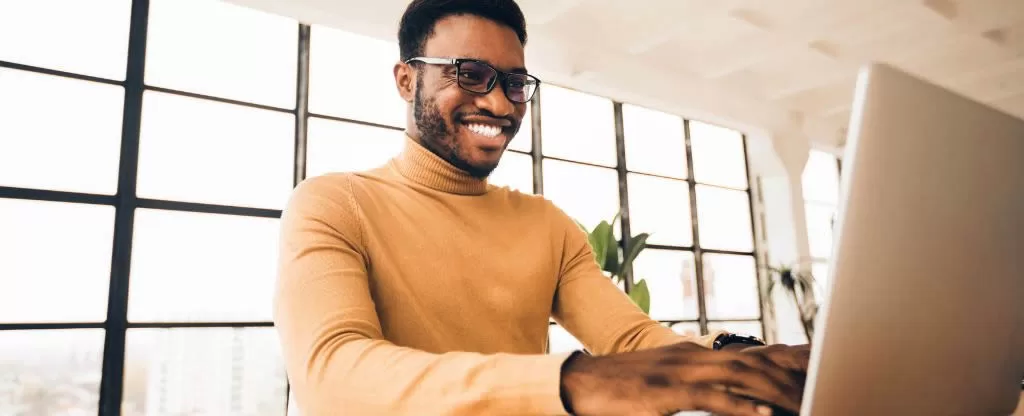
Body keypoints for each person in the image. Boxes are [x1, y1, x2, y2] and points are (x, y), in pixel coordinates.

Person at [274, 0, 811, 415]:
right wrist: (571, 381)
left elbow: (631, 340)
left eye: (513, 82)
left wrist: (742, 357)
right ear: (407, 79)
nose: (500, 103)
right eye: (470, 73)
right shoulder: (333, 203)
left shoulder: (544, 225)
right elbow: (332, 373)